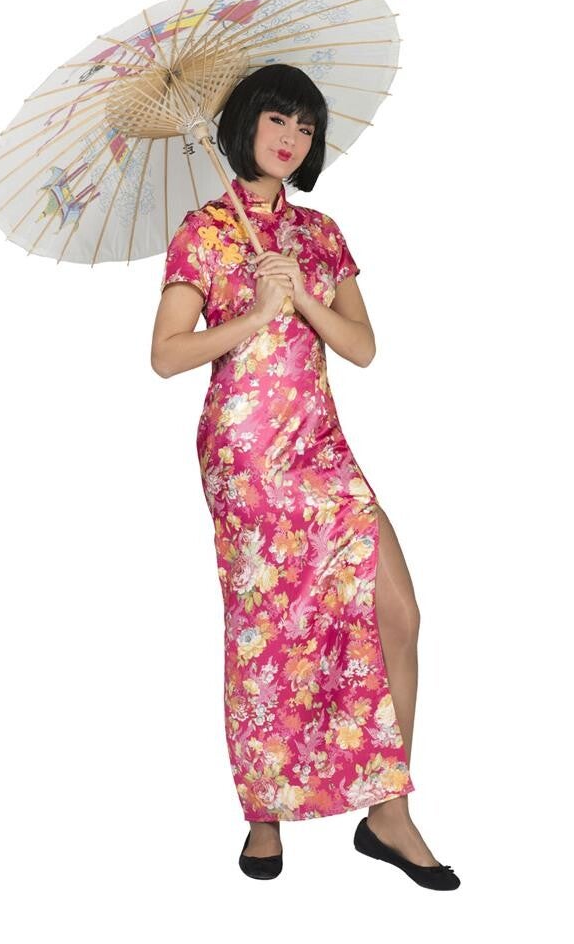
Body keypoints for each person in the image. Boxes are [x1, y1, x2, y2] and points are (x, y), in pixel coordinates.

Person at [151, 64, 459, 889]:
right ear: (245, 125)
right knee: (265, 627)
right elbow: (166, 355)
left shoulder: (320, 233)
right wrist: (254, 312)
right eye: (276, 119)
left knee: (397, 611)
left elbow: (361, 347)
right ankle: (263, 814)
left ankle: (386, 813)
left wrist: (300, 299)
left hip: (321, 446)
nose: (291, 137)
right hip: (246, 454)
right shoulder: (204, 231)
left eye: (305, 126)